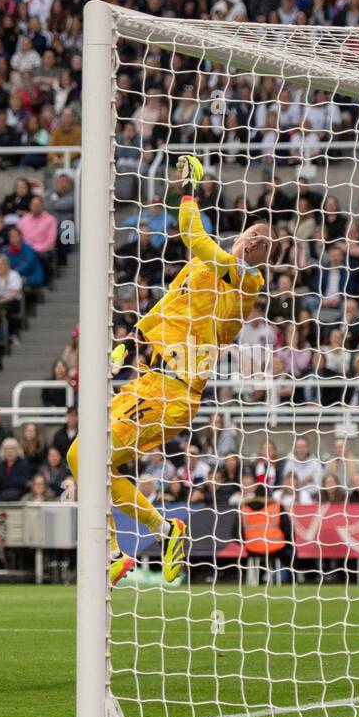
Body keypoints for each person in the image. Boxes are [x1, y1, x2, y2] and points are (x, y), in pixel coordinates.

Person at [67, 154, 271, 587]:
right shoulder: (205, 268)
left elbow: (191, 234)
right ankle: (155, 536)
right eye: (255, 234)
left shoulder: (243, 278)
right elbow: (167, 305)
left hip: (173, 391)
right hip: (150, 378)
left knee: (87, 457)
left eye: (262, 241)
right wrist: (129, 341)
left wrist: (188, 188)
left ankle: (118, 549)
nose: (255, 241)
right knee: (83, 460)